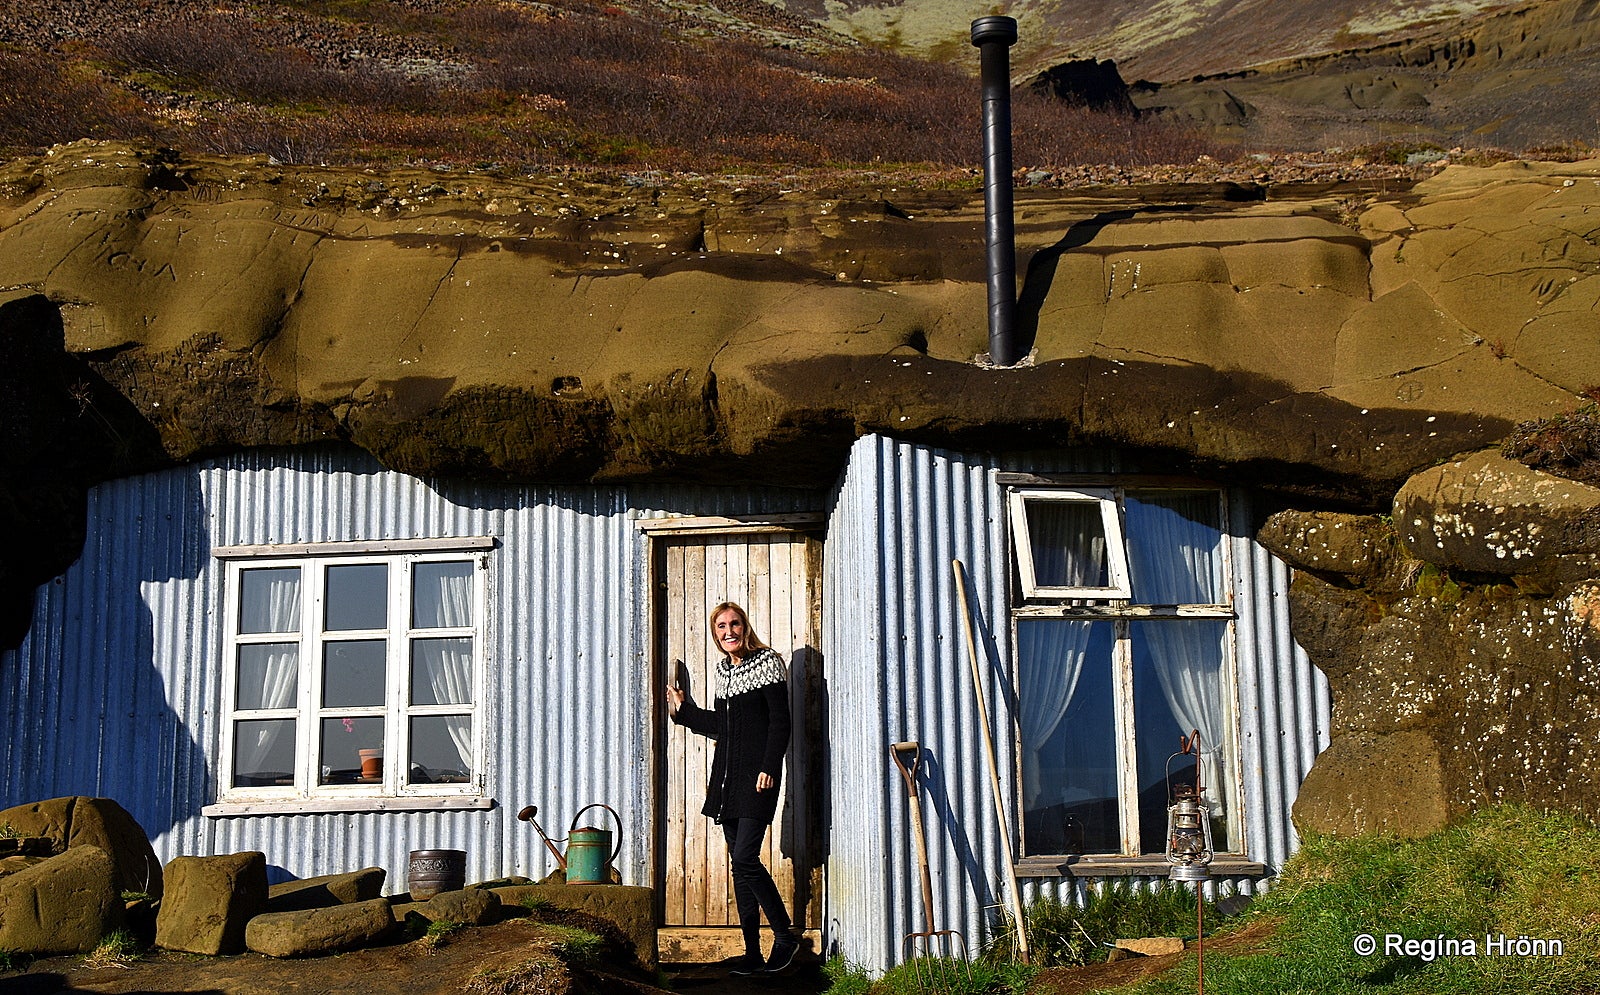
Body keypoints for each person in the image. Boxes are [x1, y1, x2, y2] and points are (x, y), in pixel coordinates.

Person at [666, 601, 798, 976]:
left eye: (734, 624)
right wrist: (684, 710)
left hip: (758, 779)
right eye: (721, 627)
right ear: (715, 634)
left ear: (745, 626)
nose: (728, 632)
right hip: (727, 781)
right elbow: (723, 726)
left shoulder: (768, 662)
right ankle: (753, 953)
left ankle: (785, 937)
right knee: (739, 868)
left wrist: (770, 767)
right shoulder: (724, 673)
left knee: (745, 858)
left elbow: (780, 722)